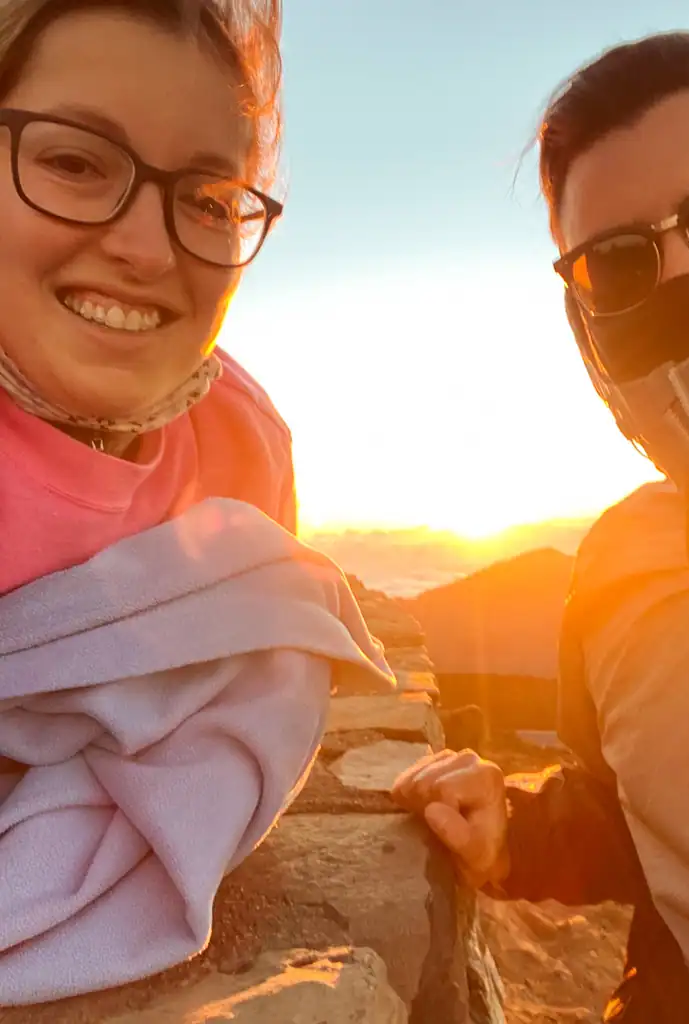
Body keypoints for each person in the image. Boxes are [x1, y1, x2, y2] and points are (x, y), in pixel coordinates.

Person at [0, 0, 394, 1005]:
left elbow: (252, 661)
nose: (146, 246)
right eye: (77, 161)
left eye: (211, 199)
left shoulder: (240, 439)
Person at [393, 26, 689, 1024]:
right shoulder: (623, 566)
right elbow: (633, 814)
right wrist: (510, 832)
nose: (688, 282)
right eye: (619, 264)